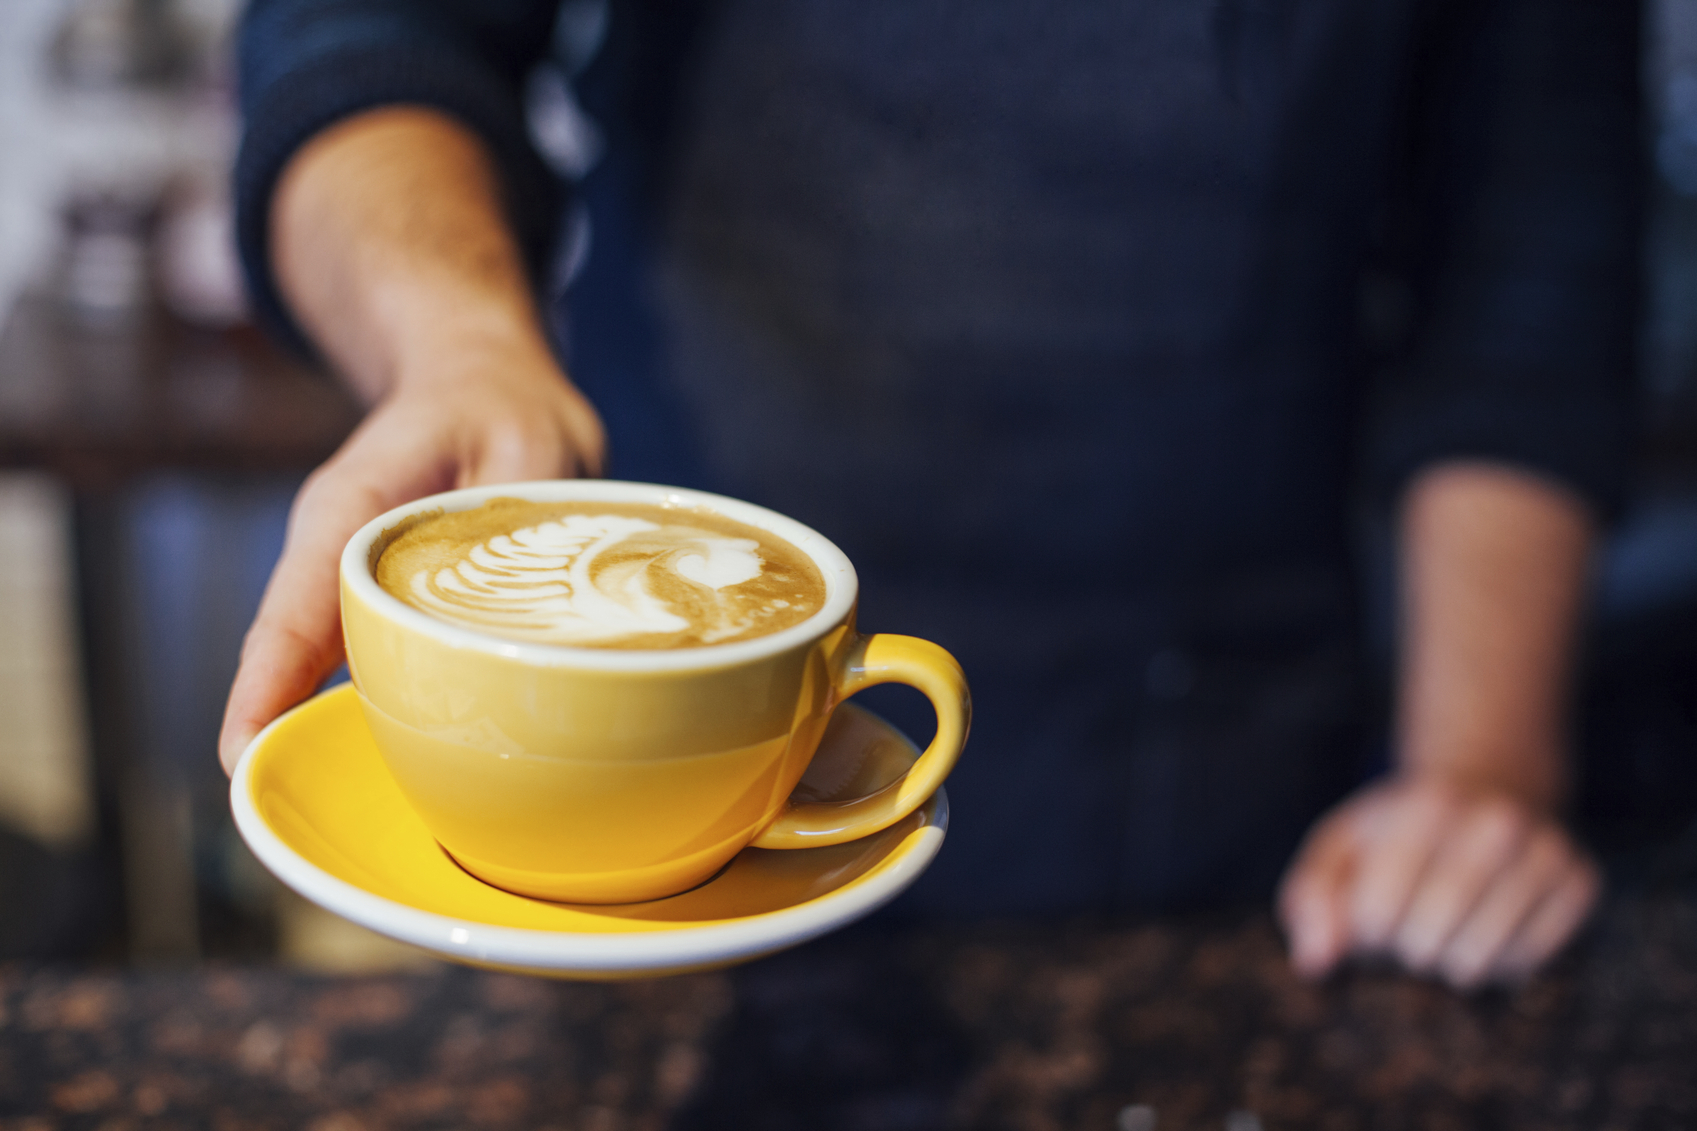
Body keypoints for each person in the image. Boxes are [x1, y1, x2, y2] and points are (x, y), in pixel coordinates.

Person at [221, 0, 1639, 989]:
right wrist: (461, 345)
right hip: (606, 789)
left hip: (1222, 810)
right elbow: (362, 33)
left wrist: (1476, 771)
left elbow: (1526, 264)